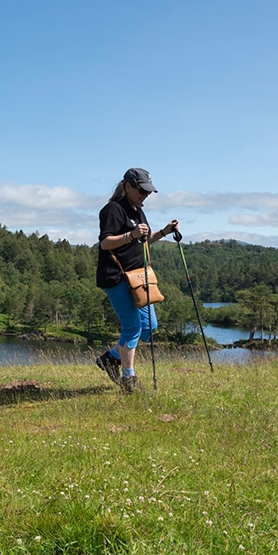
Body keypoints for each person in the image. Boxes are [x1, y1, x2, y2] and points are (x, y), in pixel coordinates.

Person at [95, 168, 179, 393]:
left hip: (139, 277)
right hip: (116, 276)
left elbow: (142, 241)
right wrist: (129, 235)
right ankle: (128, 379)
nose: (145, 195)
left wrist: (163, 231)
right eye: (141, 190)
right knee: (132, 328)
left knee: (149, 326)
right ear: (127, 186)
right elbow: (105, 243)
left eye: (148, 191)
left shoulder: (138, 211)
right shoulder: (113, 209)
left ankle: (110, 358)